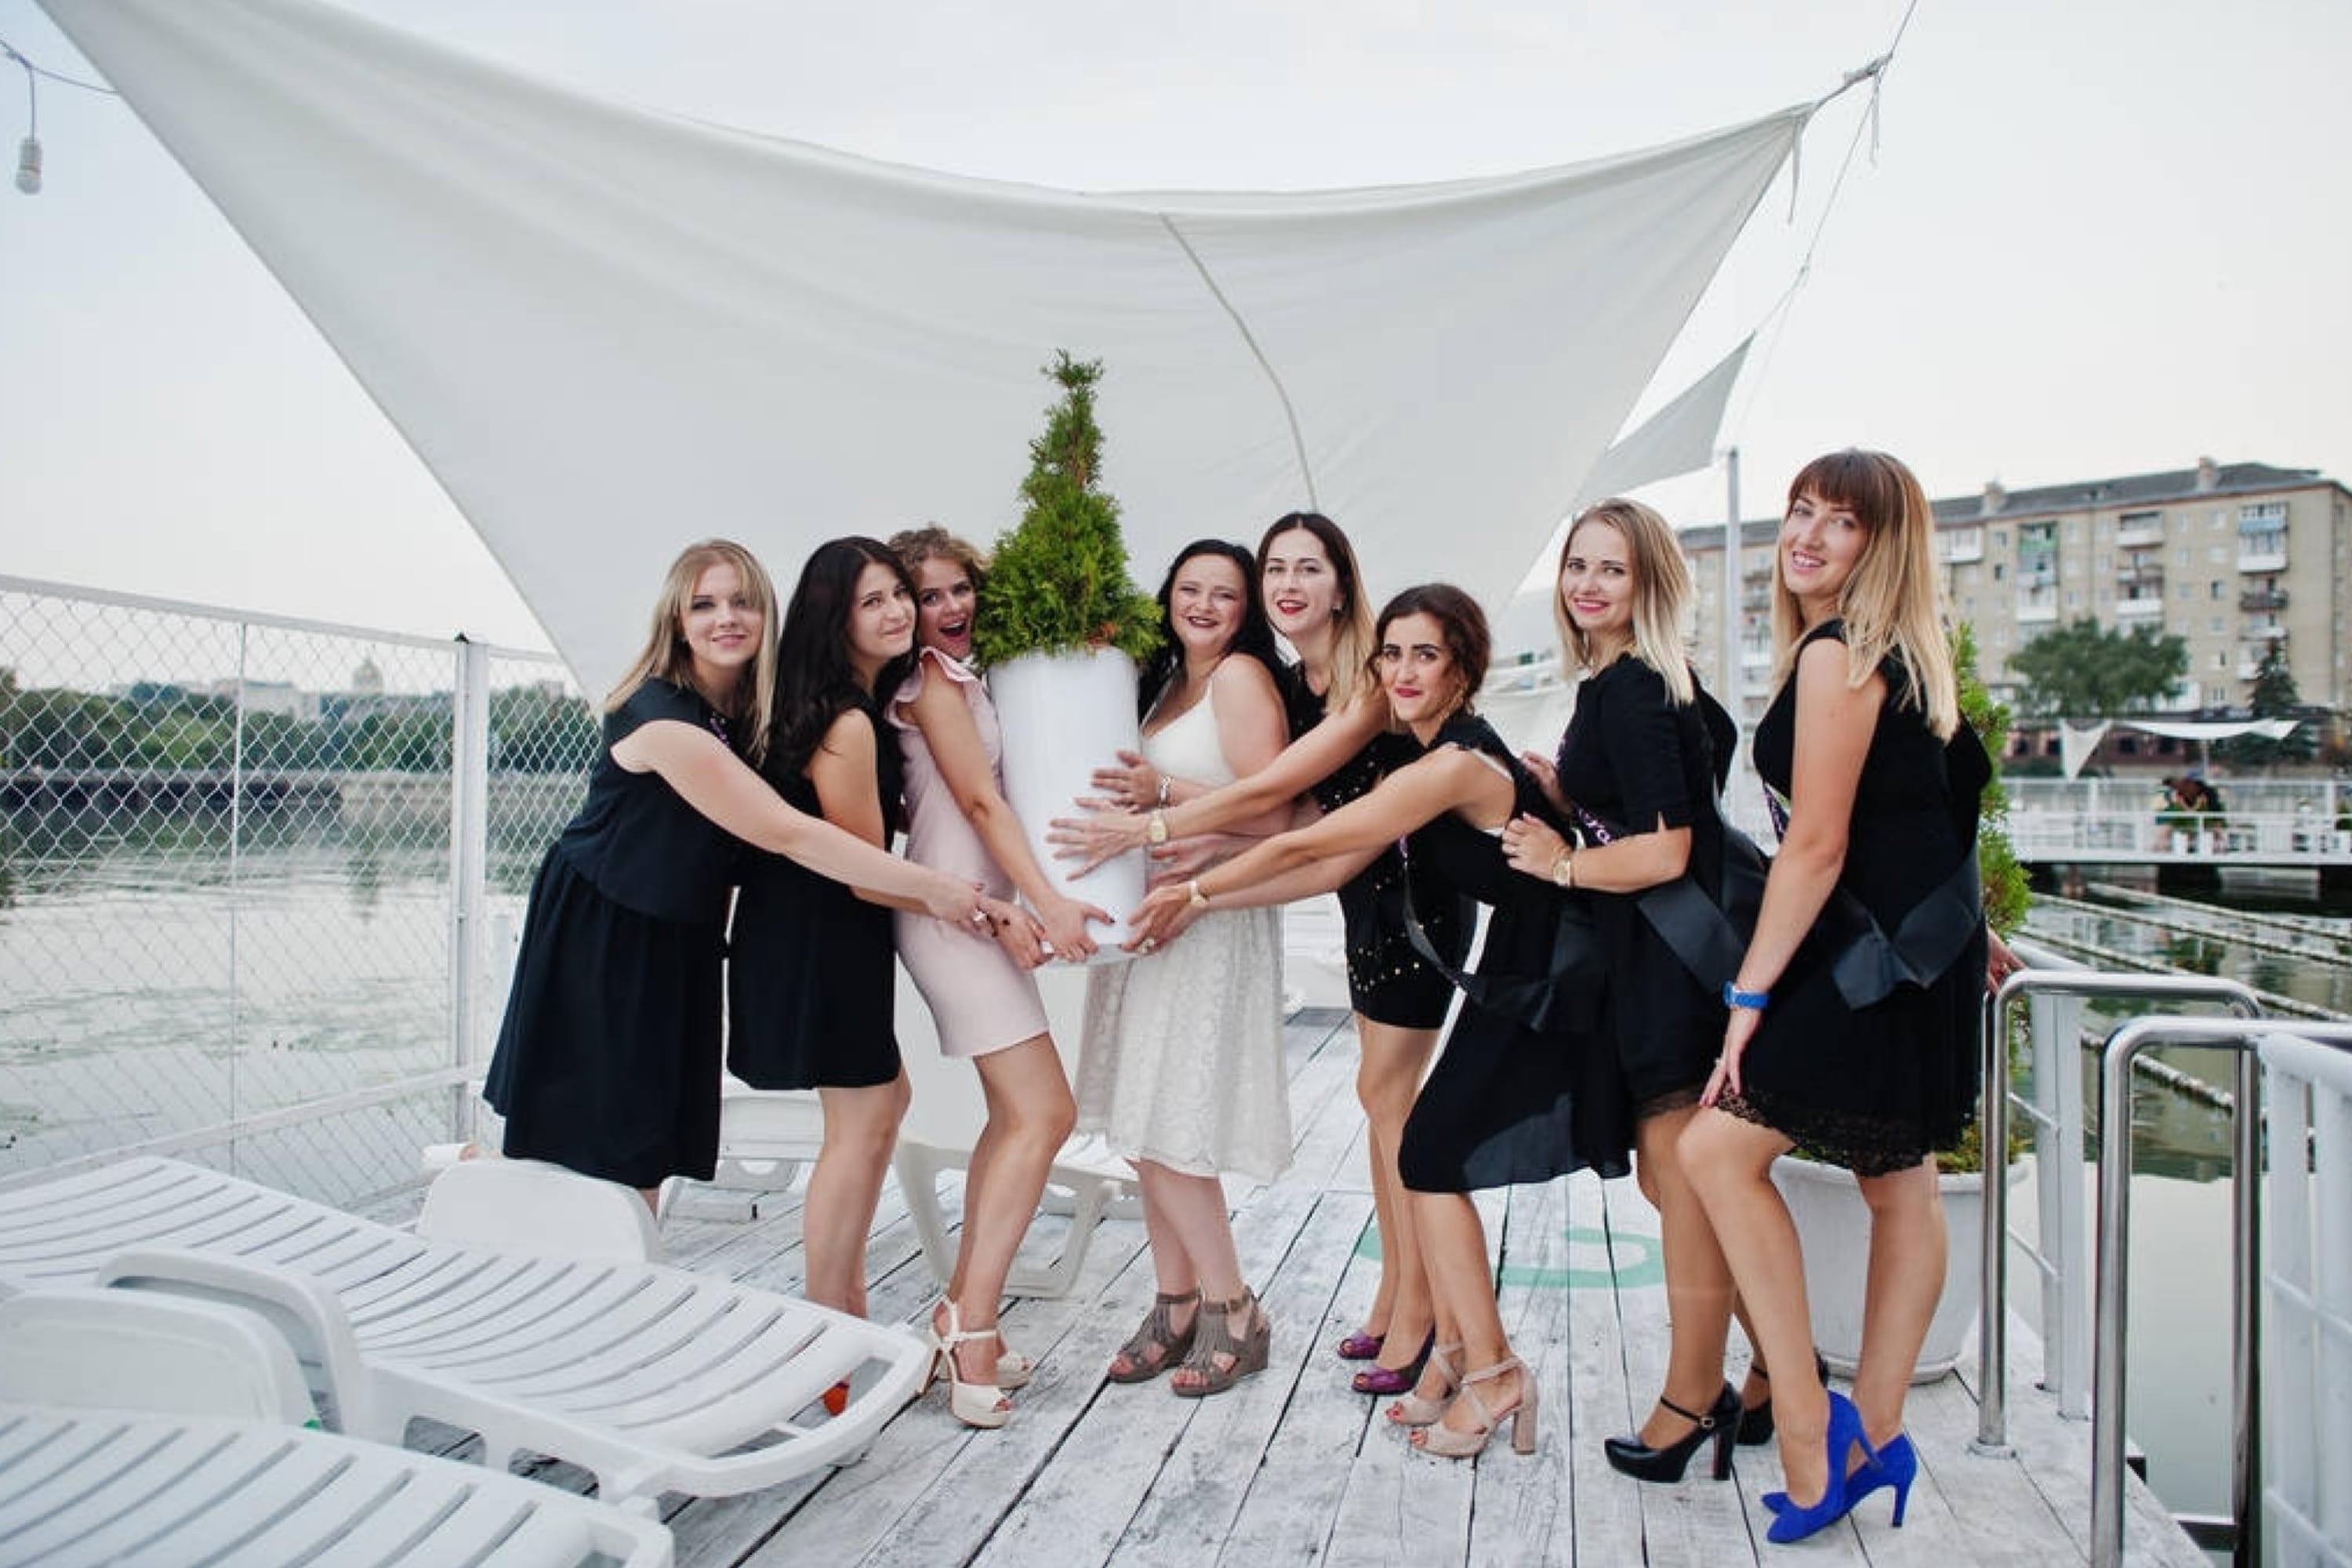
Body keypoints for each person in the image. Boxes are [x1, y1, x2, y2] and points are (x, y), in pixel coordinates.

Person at [1131, 584, 1633, 1457]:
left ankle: (1488, 1366)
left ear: (1465, 668)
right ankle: (1462, 1356)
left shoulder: (1453, 764)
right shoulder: (1427, 758)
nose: (1401, 671)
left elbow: (1303, 841)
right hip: (1519, 960)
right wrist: (1205, 901)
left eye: (1425, 655)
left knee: (1431, 1150)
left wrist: (1195, 879)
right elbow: (1332, 860)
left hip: (1563, 969)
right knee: (1428, 1149)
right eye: (1391, 653)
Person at [1050, 512, 1470, 1396]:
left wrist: (1167, 820)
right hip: (1341, 886)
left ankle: (1409, 1317)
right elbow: (1298, 812)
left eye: (1303, 569)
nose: (1286, 584)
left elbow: (1277, 797)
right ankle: (1386, 1299)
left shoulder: (1350, 681)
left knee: (1391, 1107)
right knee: (1370, 1100)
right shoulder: (1283, 676)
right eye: (1273, 567)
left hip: (1407, 890)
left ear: (1341, 582)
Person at [1680, 451, 1992, 1544]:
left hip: (1867, 965)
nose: (1807, 535)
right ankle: (1876, 1434)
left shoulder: (1837, 654)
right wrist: (1972, 942)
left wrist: (1747, 998)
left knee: (1714, 1152)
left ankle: (1809, 1424)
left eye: (1842, 521)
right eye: (1799, 511)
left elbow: (1813, 847)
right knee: (1897, 1188)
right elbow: (1939, 815)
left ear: (1884, 544)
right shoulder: (1909, 656)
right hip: (1919, 958)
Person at [484, 539, 986, 1210]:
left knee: (656, 1133)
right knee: (590, 1123)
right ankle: (487, 1196)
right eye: (705, 605)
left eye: (743, 602)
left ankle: (627, 1270)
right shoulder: (659, 715)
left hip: (686, 928)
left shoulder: (751, 712)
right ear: (676, 622)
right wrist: (943, 891)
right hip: (607, 922)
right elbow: (788, 831)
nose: (727, 618)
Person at [1492, 499, 1752, 1482]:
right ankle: (1765, 1371)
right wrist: (1573, 798)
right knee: (1675, 1181)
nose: (1589, 584)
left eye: (1614, 569)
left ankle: (1695, 1398)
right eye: (1578, 566)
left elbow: (1669, 845)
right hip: (1662, 954)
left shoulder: (1634, 686)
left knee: (1681, 1186)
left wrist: (1561, 859)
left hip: (1669, 963)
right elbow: (1670, 797)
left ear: (1649, 583)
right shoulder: (1635, 679)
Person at [885, 525, 1109, 1429]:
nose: (949, 608)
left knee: (1018, 1114)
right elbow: (979, 801)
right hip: (955, 912)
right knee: (1045, 1111)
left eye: (957, 589)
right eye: (926, 596)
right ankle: (970, 1325)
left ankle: (960, 1307)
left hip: (979, 907)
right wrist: (1050, 902)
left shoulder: (973, 671)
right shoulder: (930, 683)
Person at [1076, 539, 1294, 1397]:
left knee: (1172, 1127)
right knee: (1140, 1126)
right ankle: (1173, 1301)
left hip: (1209, 915)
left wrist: (1162, 796)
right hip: (1148, 915)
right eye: (1190, 589)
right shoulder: (1166, 681)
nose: (1203, 604)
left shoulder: (1241, 680)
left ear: (1246, 609)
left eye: (1225, 593)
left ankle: (1233, 1305)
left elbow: (1275, 811)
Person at [728, 539, 932, 1328]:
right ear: (833, 618)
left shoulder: (850, 707)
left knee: (882, 1102)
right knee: (860, 1119)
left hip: (827, 935)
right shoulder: (845, 721)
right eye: (872, 601)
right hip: (819, 938)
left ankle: (847, 1305)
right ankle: (831, 1324)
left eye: (898, 594)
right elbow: (862, 866)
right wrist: (975, 909)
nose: (897, 612)